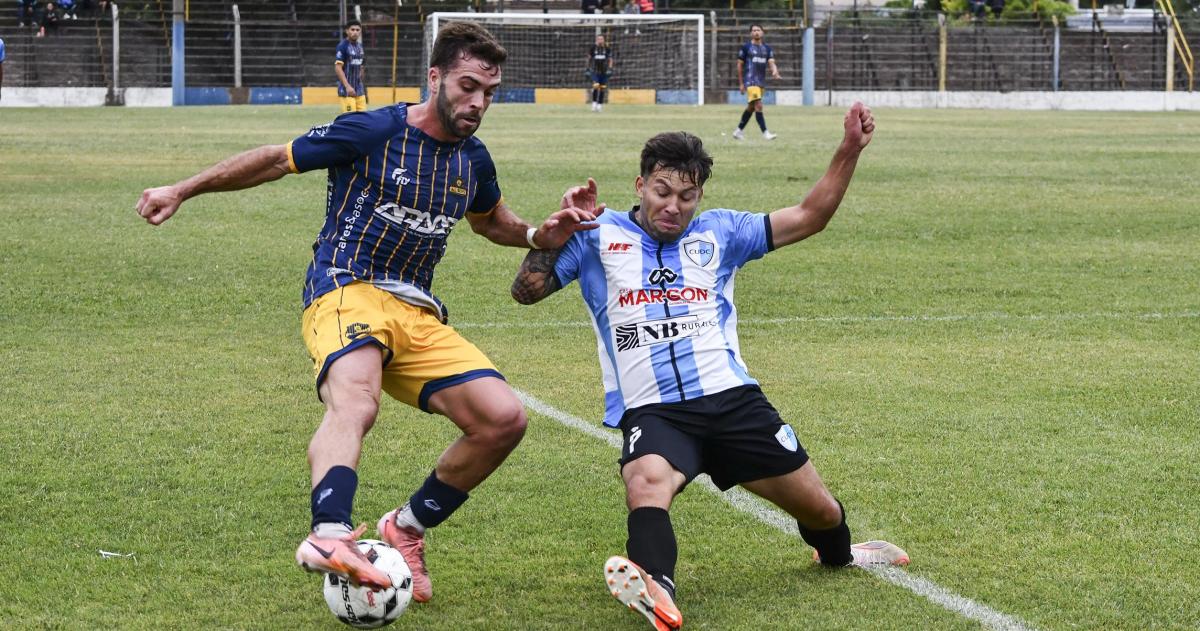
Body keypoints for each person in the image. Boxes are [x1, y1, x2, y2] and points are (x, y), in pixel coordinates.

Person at [135, 22, 599, 603]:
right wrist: (182, 189)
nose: (478, 102)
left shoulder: (472, 159)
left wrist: (537, 234)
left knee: (503, 419)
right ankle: (330, 534)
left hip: (417, 312)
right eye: (468, 86)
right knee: (356, 399)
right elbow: (276, 160)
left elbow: (489, 221)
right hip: (344, 287)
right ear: (435, 77)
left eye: (489, 92)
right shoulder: (375, 129)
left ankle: (405, 528)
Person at [512, 103, 908, 631]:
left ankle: (840, 553)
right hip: (654, 410)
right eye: (662, 191)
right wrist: (551, 236)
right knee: (646, 482)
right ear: (640, 185)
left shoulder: (722, 232)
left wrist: (849, 150)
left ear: (700, 196)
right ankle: (656, 586)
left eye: (687, 196)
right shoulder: (596, 235)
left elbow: (810, 216)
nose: (673, 206)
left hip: (733, 402)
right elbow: (526, 292)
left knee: (821, 511)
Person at [733, 24, 781, 141]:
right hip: (750, 81)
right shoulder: (746, 48)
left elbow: (771, 63)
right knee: (758, 105)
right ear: (751, 33)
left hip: (760, 83)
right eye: (754, 30)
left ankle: (738, 131)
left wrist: (775, 71)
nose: (756, 32)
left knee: (751, 107)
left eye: (758, 30)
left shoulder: (767, 48)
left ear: (762, 32)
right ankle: (766, 133)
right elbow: (739, 65)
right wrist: (741, 83)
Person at [335, 19, 366, 113]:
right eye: (352, 29)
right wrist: (347, 86)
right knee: (350, 119)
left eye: (357, 30)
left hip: (359, 91)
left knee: (363, 118)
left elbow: (362, 65)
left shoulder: (360, 47)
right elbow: (338, 68)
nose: (355, 32)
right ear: (347, 31)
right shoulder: (343, 46)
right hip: (347, 92)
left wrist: (361, 80)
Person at [587, 34, 614, 113]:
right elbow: (589, 58)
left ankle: (600, 105)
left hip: (604, 72)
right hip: (595, 71)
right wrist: (587, 68)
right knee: (596, 86)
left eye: (601, 39)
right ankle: (594, 104)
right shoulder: (593, 48)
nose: (600, 41)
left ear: (604, 40)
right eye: (599, 39)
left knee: (602, 88)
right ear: (596, 40)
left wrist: (610, 69)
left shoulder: (607, 49)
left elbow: (610, 59)